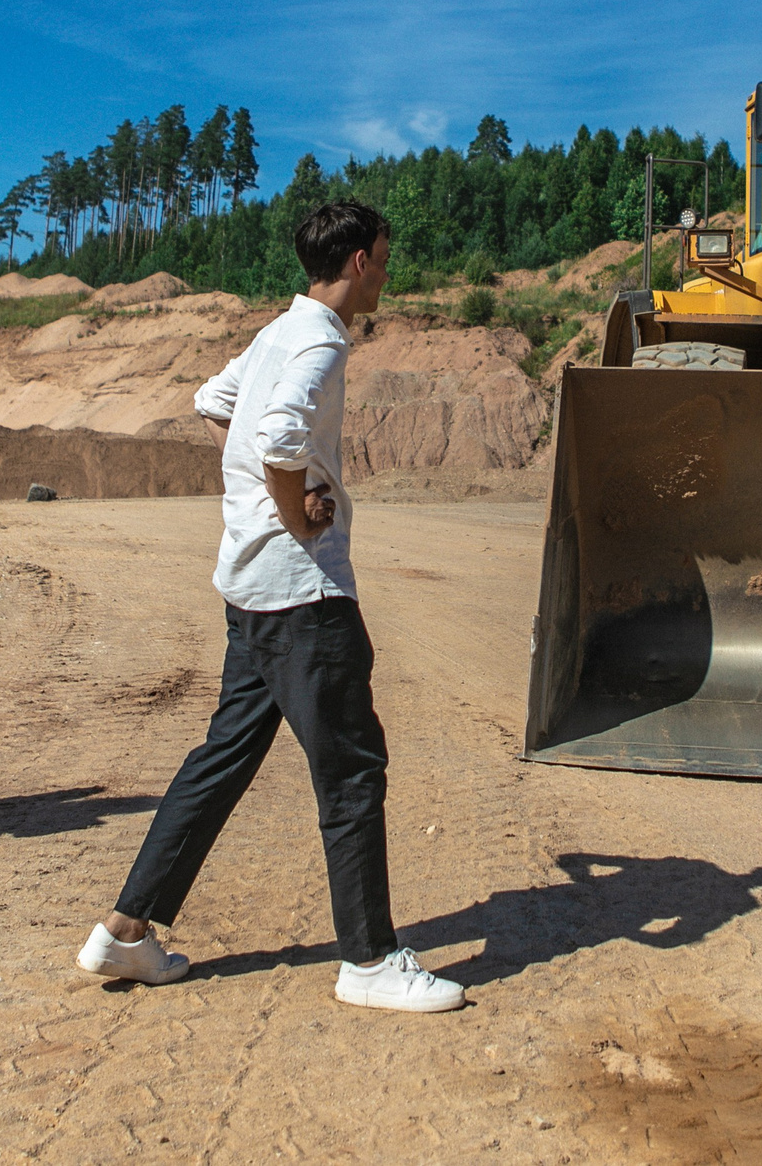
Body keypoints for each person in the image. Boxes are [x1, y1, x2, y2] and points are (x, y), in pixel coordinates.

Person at [76, 201, 465, 1014]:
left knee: (220, 762)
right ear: (357, 262)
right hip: (301, 595)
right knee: (354, 771)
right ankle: (366, 959)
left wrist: (262, 495)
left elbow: (213, 403)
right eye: (384, 260)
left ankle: (124, 931)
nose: (388, 274)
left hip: (247, 590)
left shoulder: (272, 333)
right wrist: (293, 509)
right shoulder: (321, 340)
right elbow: (278, 434)